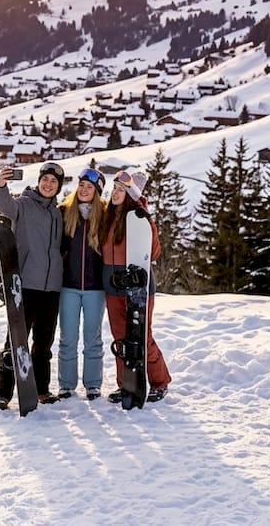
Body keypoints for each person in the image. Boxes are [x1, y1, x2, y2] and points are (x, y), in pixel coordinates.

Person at [0, 162, 65, 407]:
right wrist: (1, 184)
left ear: (58, 187)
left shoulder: (57, 213)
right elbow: (4, 206)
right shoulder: (23, 204)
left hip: (52, 287)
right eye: (45, 179)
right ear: (39, 180)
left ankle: (42, 389)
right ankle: (2, 393)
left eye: (54, 182)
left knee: (44, 342)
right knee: (15, 339)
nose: (48, 184)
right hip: (26, 285)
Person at [99, 169, 172, 404]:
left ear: (130, 194)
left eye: (122, 190)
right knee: (121, 338)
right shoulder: (108, 217)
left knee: (142, 335)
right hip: (113, 286)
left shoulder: (140, 218)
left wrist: (146, 219)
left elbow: (155, 252)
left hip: (138, 286)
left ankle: (160, 381)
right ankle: (126, 384)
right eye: (115, 189)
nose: (116, 193)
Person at [56, 167, 108, 400]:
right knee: (68, 337)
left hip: (95, 288)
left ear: (97, 192)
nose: (84, 190)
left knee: (92, 337)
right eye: (82, 185)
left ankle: (93, 384)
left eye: (90, 187)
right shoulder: (64, 212)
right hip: (69, 286)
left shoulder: (106, 216)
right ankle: (66, 384)